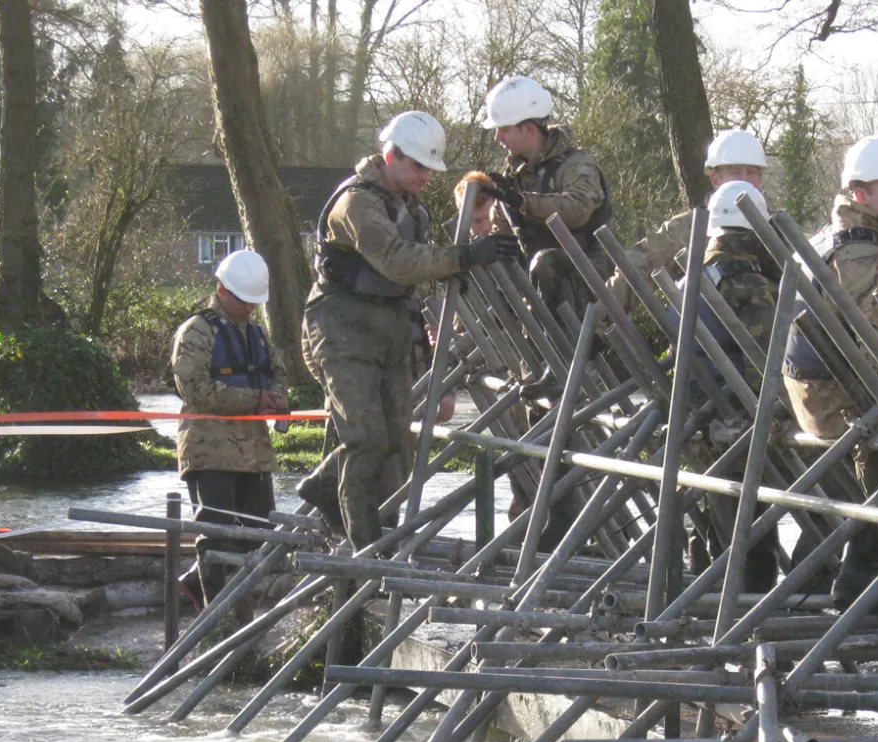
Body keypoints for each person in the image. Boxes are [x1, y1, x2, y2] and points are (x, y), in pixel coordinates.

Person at [295, 110, 520, 547]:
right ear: (390, 155)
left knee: (397, 439)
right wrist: (465, 255)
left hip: (390, 329)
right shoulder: (357, 203)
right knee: (365, 440)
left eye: (430, 169)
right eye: (418, 167)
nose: (425, 178)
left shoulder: (410, 208)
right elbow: (398, 261)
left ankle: (328, 489)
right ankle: (365, 548)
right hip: (342, 330)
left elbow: (419, 282)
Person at [780, 135, 878, 611]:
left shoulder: (831, 237)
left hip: (814, 393)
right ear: (861, 194)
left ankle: (825, 580)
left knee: (875, 475)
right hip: (837, 400)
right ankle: (871, 586)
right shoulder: (861, 253)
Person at [676, 181, 782, 592]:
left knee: (719, 527)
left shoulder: (690, 278)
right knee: (753, 537)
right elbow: (767, 357)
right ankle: (751, 617)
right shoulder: (743, 281)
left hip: (701, 424)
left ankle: (710, 601)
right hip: (737, 427)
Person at [171, 249, 287, 608]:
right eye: (244, 301)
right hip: (210, 451)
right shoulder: (196, 331)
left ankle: (235, 605)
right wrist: (254, 400)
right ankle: (217, 617)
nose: (250, 308)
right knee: (217, 535)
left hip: (253, 454)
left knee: (260, 536)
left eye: (254, 302)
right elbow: (194, 389)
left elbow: (279, 375)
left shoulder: (257, 334)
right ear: (222, 290)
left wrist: (279, 401)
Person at [477, 76, 613, 315]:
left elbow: (578, 209)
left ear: (528, 129)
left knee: (546, 262)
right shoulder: (510, 179)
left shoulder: (576, 164)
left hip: (591, 282)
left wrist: (524, 203)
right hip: (537, 289)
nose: (498, 137)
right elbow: (502, 236)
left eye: (504, 129)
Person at [609, 129, 769, 303]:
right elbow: (636, 269)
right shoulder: (688, 229)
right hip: (709, 328)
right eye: (735, 172)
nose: (744, 180)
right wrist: (598, 322)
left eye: (751, 172)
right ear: (715, 179)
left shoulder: (778, 230)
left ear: (760, 179)